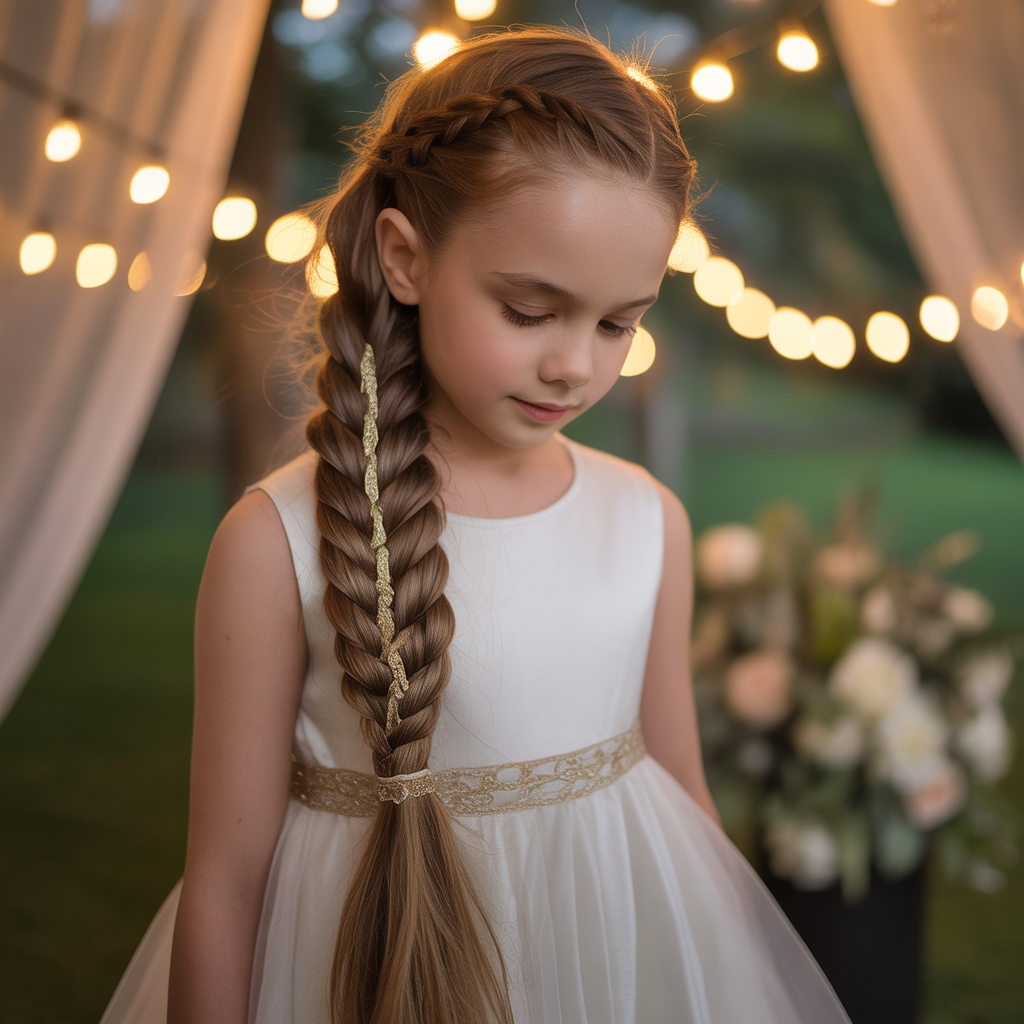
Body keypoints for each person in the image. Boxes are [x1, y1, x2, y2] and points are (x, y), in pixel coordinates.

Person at [100, 26, 851, 1024]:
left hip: (611, 968)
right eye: (531, 311)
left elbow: (686, 807)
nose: (575, 366)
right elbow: (226, 884)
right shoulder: (270, 542)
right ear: (405, 258)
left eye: (616, 323)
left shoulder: (646, 522)